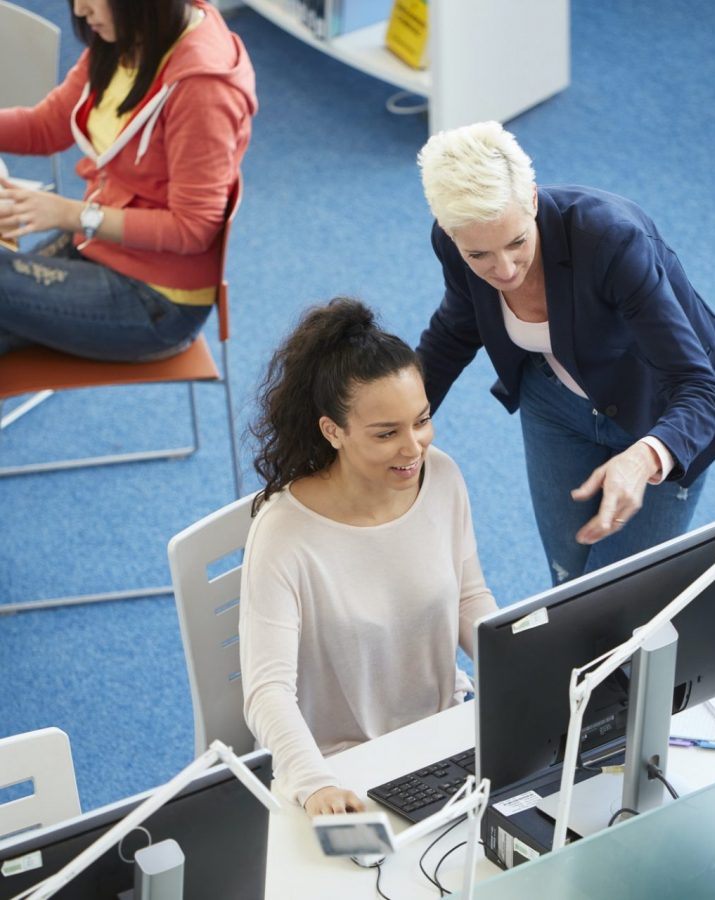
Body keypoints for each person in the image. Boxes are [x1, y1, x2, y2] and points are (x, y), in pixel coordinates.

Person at [416, 121, 715, 585]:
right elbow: (455, 332)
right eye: (480, 255)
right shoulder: (452, 244)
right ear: (449, 231)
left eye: (517, 241)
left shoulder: (611, 240)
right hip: (553, 405)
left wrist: (644, 457)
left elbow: (701, 388)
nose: (504, 268)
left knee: (622, 596)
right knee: (568, 580)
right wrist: (396, 424)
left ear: (533, 199)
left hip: (656, 409)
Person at [239, 297, 497, 816]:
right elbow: (266, 691)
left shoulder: (441, 476)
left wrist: (524, 669)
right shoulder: (284, 534)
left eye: (421, 421)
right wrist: (315, 784)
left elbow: (470, 598)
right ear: (333, 431)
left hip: (445, 740)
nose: (414, 448)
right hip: (345, 769)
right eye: (386, 434)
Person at [0, 0, 256, 361]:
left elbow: (194, 228)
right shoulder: (133, 34)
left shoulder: (203, 89)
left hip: (157, 299)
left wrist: (70, 214)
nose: (79, 10)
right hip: (100, 247)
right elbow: (46, 127)